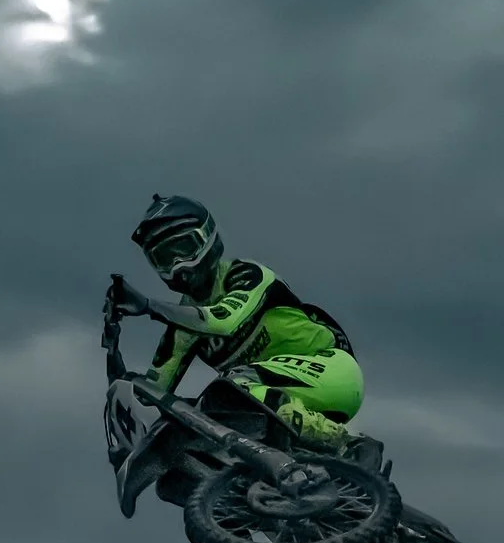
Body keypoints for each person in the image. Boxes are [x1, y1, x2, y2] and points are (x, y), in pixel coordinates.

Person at [111, 193, 363, 452]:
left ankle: (346, 444)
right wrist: (116, 365)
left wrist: (148, 306)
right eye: (164, 258)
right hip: (276, 391)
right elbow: (152, 394)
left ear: (208, 239)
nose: (177, 266)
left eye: (185, 248)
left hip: (331, 372)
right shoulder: (181, 328)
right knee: (203, 412)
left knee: (231, 387)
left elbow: (222, 321)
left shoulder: (247, 275)